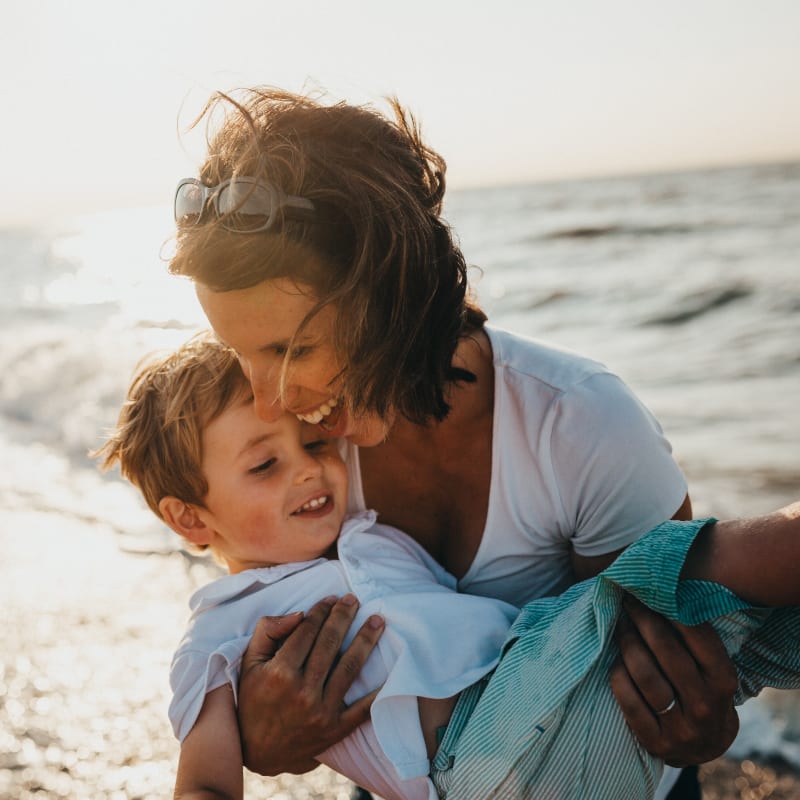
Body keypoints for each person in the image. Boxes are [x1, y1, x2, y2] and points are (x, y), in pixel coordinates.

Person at [167, 87, 740, 799]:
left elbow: (671, 670)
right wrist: (264, 735)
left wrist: (701, 723)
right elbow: (265, 615)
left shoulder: (582, 427)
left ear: (393, 294)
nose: (268, 399)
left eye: (292, 348)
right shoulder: (300, 455)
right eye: (239, 355)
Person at [98, 333, 800, 800]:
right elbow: (206, 786)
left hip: (564, 721)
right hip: (476, 755)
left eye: (313, 442)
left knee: (761, 625)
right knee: (703, 565)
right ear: (190, 518)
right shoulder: (219, 633)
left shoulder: (370, 538)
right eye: (263, 464)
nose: (310, 470)